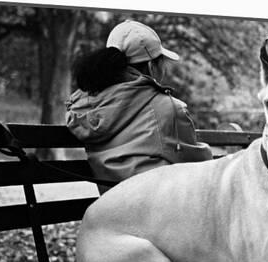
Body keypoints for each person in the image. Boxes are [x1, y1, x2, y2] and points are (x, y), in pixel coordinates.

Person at [65, 20, 212, 194]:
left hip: (109, 209)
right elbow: (199, 165)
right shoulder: (168, 108)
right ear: (151, 66)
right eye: (161, 62)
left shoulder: (87, 108)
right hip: (154, 211)